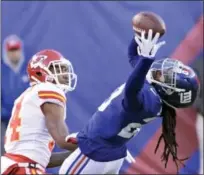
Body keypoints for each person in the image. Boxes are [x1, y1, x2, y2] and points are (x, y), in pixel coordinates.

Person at [59, 30, 200, 174]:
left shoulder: (150, 101)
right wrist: (139, 36)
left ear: (171, 91)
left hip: (96, 152)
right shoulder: (154, 95)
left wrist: (146, 60)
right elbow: (134, 57)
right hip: (112, 151)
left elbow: (131, 90)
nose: (160, 72)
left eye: (166, 77)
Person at [1, 49, 78, 174]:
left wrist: (78, 154)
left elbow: (41, 158)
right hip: (24, 169)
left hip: (14, 167)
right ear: (40, 72)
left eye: (65, 69)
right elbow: (63, 140)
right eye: (58, 69)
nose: (64, 74)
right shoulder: (48, 89)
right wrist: (93, 142)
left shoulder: (28, 96)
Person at [1, 35, 29, 154]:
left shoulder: (29, 69)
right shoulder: (2, 70)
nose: (14, 53)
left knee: (27, 151)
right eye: (11, 50)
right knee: (6, 152)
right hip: (5, 120)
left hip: (26, 119)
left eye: (16, 49)